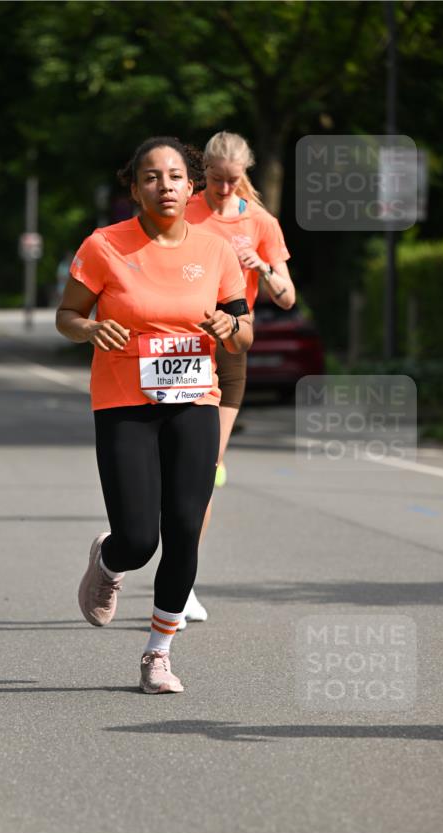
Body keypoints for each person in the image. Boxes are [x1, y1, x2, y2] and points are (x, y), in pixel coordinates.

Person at [56, 136, 252, 694]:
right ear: (135, 188)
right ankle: (110, 561)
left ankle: (157, 653)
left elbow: (245, 331)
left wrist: (229, 329)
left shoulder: (216, 251)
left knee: (185, 530)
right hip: (124, 402)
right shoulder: (104, 246)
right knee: (140, 538)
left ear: (191, 186)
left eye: (173, 176)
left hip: (195, 401)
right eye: (150, 177)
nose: (163, 186)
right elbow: (67, 315)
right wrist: (91, 328)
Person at [180, 131, 296, 626]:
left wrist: (263, 266)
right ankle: (133, 536)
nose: (224, 189)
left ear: (244, 174)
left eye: (233, 181)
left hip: (229, 349)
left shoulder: (260, 222)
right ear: (203, 171)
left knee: (203, 469)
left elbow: (287, 297)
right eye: (215, 180)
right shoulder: (183, 209)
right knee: (171, 469)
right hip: (179, 345)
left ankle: (180, 584)